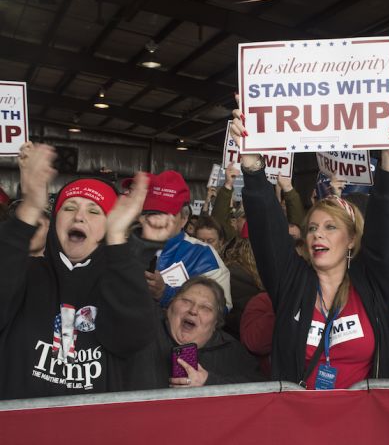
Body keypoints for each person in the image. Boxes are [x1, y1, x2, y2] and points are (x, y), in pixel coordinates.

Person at [230, 110, 389, 389]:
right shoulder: (292, 283)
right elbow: (269, 234)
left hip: (360, 423)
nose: (317, 234)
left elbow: (385, 236)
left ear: (351, 239)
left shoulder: (372, 286)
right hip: (299, 422)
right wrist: (253, 166)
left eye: (330, 227)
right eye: (312, 228)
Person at [0, 142, 156, 399]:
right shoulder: (24, 274)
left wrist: (117, 238)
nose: (79, 217)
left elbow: (134, 337)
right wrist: (29, 208)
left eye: (94, 211)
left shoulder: (116, 283)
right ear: (54, 221)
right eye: (69, 207)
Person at [125, 276, 262, 390]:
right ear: (169, 307)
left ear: (216, 323)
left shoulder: (230, 350)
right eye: (186, 301)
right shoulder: (143, 328)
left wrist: (209, 382)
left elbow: (263, 387)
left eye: (206, 308)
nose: (193, 310)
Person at [128, 170, 232, 311]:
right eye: (150, 212)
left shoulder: (203, 256)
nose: (155, 220)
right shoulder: (123, 247)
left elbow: (220, 309)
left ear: (184, 219)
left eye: (165, 214)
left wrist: (165, 293)